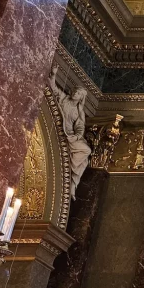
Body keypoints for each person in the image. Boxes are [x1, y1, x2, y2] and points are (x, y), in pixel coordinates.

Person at [50, 66, 92, 198]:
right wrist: (53, 75)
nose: (75, 94)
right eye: (75, 92)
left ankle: (72, 175)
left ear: (81, 98)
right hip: (58, 127)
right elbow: (54, 89)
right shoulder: (64, 99)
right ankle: (72, 171)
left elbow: (80, 127)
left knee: (87, 151)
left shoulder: (79, 112)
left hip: (70, 136)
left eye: (79, 94)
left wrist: (77, 135)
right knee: (85, 154)